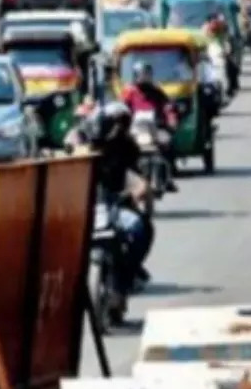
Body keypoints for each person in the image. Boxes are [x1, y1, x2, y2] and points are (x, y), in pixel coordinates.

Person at [71, 102, 154, 293]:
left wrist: (138, 191)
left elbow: (136, 179)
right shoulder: (78, 149)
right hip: (83, 207)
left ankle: (129, 273)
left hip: (114, 205)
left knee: (141, 228)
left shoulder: (126, 148)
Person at [120, 62, 180, 190]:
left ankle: (168, 177)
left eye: (147, 74)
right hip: (135, 130)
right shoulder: (129, 92)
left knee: (167, 141)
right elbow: (121, 108)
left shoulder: (157, 91)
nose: (144, 77)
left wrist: (171, 120)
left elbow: (167, 108)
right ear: (135, 76)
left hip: (156, 129)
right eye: (141, 74)